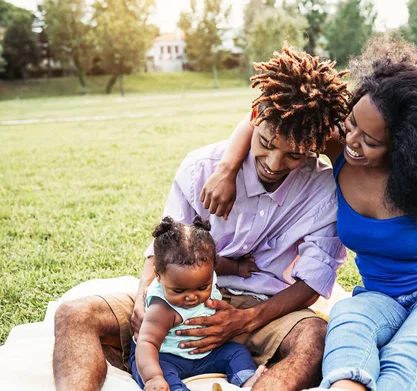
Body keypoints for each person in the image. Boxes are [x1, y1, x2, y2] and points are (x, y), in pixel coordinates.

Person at [199, 36, 417, 391]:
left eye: (370, 141)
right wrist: (226, 169)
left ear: (408, 144)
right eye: (351, 123)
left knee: (403, 363)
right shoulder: (340, 147)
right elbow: (269, 116)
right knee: (346, 325)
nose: (352, 140)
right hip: (379, 298)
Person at [52, 44, 350, 391]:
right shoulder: (202, 168)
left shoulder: (323, 189)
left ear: (313, 146)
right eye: (266, 142)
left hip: (263, 308)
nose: (273, 162)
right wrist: (142, 293)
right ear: (254, 117)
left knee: (315, 337)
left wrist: (245, 319)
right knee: (74, 314)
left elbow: (312, 281)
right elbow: (165, 242)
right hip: (177, 298)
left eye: (294, 155)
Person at [131, 216, 265, 391]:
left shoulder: (202, 270)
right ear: (158, 275)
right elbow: (146, 343)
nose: (192, 297)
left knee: (236, 352)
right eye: (179, 291)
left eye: (202, 287)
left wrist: (238, 268)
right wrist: (153, 377)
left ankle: (247, 381)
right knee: (164, 378)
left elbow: (218, 265)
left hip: (205, 356)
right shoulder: (162, 308)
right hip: (163, 357)